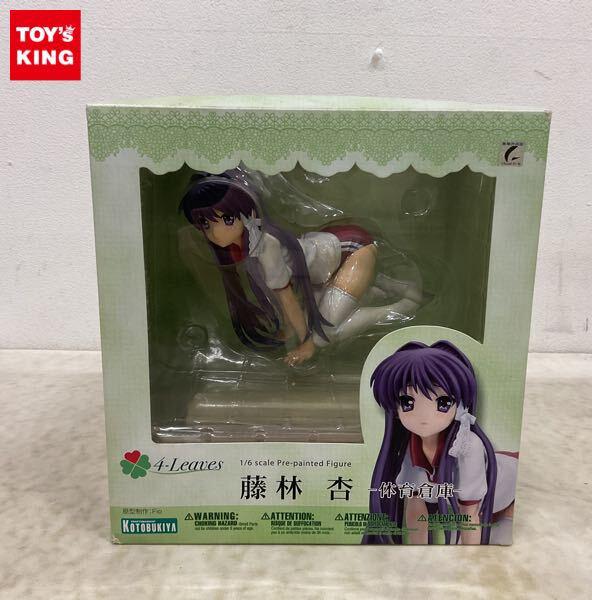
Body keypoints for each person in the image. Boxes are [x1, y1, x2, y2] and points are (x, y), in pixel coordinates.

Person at [179, 168, 422, 365]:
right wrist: (290, 329)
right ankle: (372, 287)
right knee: (313, 318)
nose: (215, 232)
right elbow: (289, 295)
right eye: (205, 223)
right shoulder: (248, 246)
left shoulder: (265, 246)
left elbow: (287, 299)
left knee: (325, 335)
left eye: (227, 219)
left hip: (353, 251)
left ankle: (400, 306)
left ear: (247, 212)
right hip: (327, 266)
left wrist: (307, 343)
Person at [364, 340, 517, 545]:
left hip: (506, 491)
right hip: (470, 506)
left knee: (496, 531)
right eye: (407, 402)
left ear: (460, 406)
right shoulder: (411, 447)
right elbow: (415, 507)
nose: (424, 416)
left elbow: (469, 512)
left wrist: (469, 557)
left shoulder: (468, 446)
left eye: (443, 402)